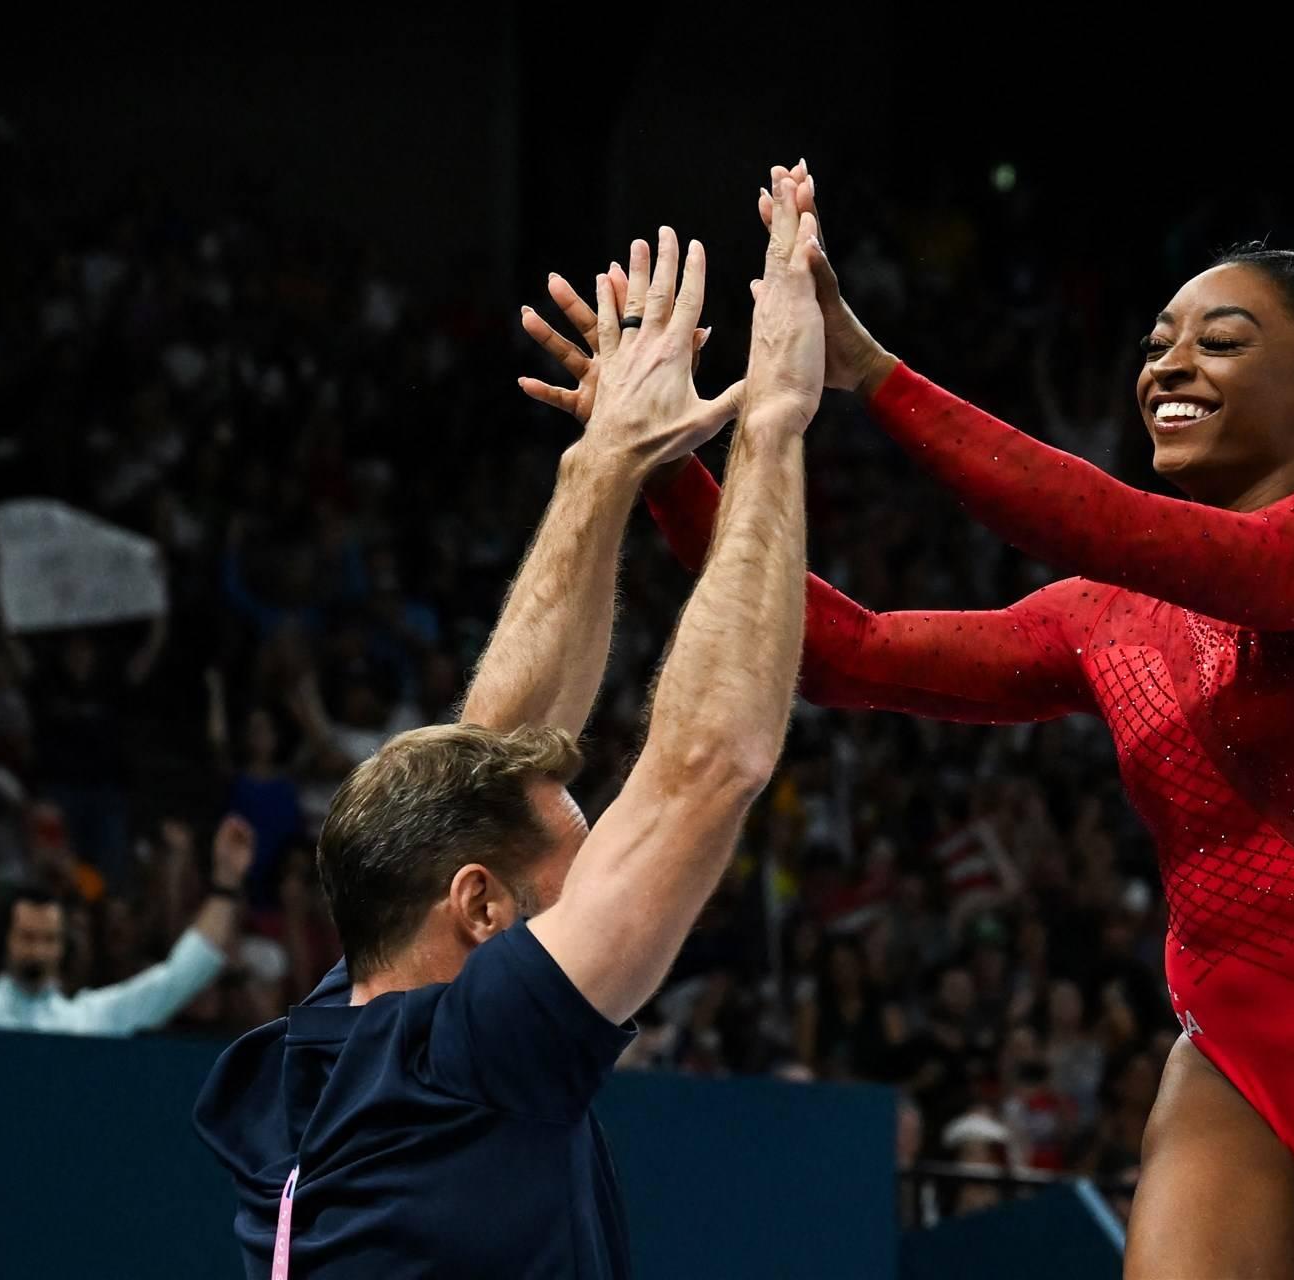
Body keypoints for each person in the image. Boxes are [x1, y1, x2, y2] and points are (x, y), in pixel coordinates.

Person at [520, 159, 1294, 1276]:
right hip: (1229, 1062)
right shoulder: (1105, 615)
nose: (1170, 364)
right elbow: (849, 652)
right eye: (1156, 344)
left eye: (1220, 340)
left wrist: (873, 373)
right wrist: (662, 463)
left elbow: (1115, 529)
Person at [194, 177, 823, 1279]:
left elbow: (482, 751)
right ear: (480, 902)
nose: (603, 900)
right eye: (577, 880)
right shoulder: (472, 1060)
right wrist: (773, 419)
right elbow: (707, 766)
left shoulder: (335, 1042)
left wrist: (606, 461)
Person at [0, 814, 254, 1035]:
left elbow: (175, 980)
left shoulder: (85, 1022)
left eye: (49, 939)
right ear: (5, 939)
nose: (38, 950)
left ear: (63, 946)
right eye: (27, 937)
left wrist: (226, 885)